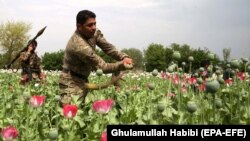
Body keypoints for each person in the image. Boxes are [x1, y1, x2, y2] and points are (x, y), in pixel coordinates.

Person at [59, 10, 133, 106]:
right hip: (70, 81)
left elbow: (108, 47)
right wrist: (122, 65)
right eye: (89, 25)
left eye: (95, 24)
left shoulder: (93, 32)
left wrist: (124, 56)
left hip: (83, 79)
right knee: (70, 116)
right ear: (79, 26)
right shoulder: (78, 45)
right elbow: (103, 67)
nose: (93, 28)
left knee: (82, 112)